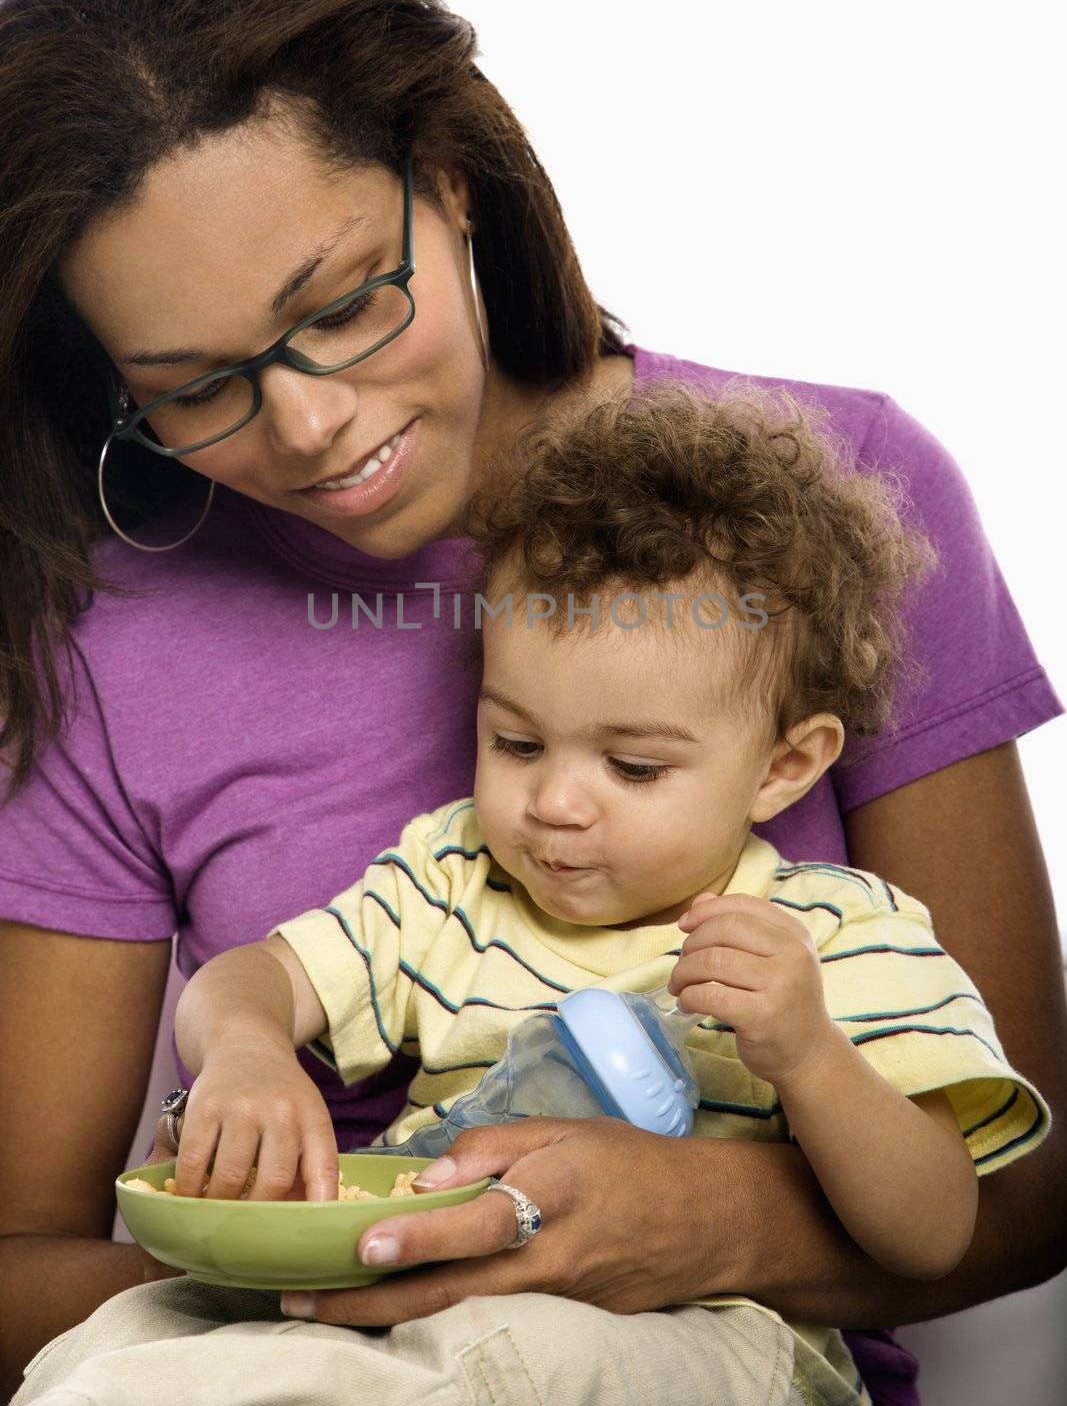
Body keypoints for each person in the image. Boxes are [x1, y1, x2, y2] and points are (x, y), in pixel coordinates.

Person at [0, 0, 1063, 1406]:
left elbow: (1017, 1185)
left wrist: (696, 1225)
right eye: (190, 384)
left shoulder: (848, 502)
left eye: (345, 304)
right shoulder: (111, 642)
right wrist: (315, 1266)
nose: (306, 426)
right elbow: (23, 1256)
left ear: (450, 178)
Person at [11, 383, 1052, 1406]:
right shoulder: (452, 883)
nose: (553, 802)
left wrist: (811, 1056)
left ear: (785, 765)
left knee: (488, 1353)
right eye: (514, 740)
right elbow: (252, 981)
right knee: (125, 1337)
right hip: (424, 1316)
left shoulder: (830, 936)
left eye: (632, 767)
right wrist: (245, 1049)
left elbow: (933, 1234)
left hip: (706, 1337)